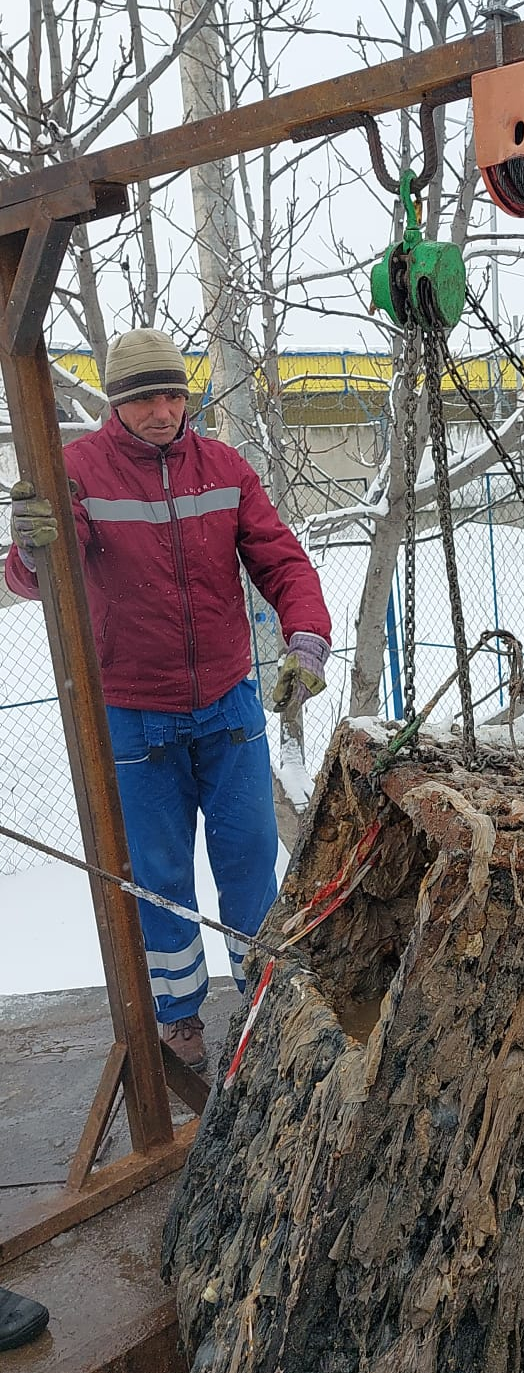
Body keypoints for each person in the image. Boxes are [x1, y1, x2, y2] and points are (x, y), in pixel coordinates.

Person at [5, 329, 332, 1075]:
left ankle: (262, 1008)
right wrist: (30, 546)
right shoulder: (76, 473)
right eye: (143, 398)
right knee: (158, 876)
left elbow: (281, 560)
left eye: (172, 394)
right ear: (116, 404)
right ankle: (179, 1021)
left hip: (228, 707)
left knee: (250, 861)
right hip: (132, 713)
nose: (161, 411)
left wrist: (306, 640)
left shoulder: (222, 467)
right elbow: (32, 580)